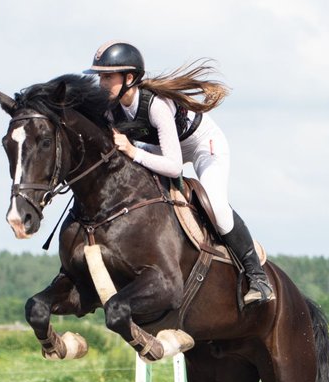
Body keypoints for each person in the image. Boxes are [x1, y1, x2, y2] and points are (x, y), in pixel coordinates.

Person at [86, 41, 275, 306]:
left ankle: (258, 278)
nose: (101, 83)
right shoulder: (111, 109)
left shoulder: (156, 106)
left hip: (202, 144)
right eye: (100, 77)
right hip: (160, 147)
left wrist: (132, 151)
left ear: (129, 78)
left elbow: (174, 166)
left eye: (108, 77)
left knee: (216, 206)